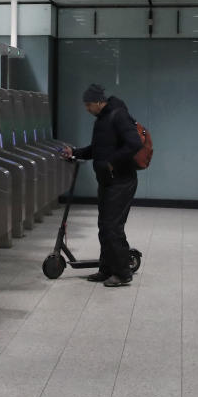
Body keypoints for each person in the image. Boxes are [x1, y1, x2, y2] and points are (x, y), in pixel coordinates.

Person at [60, 84, 142, 287]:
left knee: (113, 227)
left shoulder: (118, 115)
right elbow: (97, 149)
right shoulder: (102, 119)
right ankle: (106, 269)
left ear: (99, 102)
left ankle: (123, 273)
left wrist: (111, 163)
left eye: (89, 105)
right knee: (104, 227)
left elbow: (134, 143)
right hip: (107, 180)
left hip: (121, 180)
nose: (87, 109)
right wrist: (75, 152)